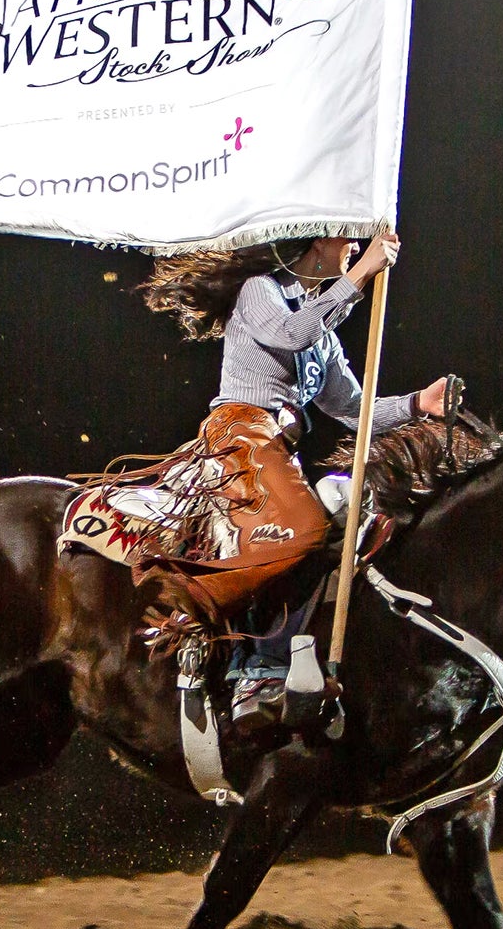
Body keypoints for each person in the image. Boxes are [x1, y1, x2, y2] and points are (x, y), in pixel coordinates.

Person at [139, 231, 450, 726]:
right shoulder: (260, 290)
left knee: (344, 527)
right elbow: (289, 334)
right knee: (300, 529)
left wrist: (418, 404)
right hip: (240, 431)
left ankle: (269, 659)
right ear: (318, 242)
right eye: (347, 238)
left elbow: (353, 408)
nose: (355, 246)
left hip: (279, 446)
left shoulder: (322, 333)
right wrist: (361, 275)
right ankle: (203, 614)